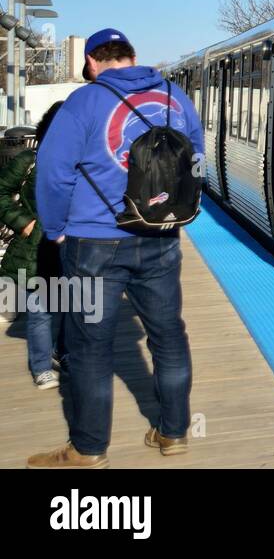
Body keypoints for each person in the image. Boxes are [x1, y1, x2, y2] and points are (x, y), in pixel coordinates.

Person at [26, 28, 205, 469]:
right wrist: (173, 208)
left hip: (92, 242)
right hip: (160, 236)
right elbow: (196, 157)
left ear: (90, 63)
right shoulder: (173, 95)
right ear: (133, 57)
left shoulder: (83, 103)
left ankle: (88, 450)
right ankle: (174, 432)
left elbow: (52, 171)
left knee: (89, 348)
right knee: (168, 336)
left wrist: (55, 229)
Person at [0, 102, 64, 389]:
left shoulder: (85, 161)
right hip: (37, 245)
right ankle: (41, 366)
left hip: (76, 245)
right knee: (41, 308)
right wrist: (23, 222)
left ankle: (60, 353)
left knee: (71, 306)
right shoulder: (30, 160)